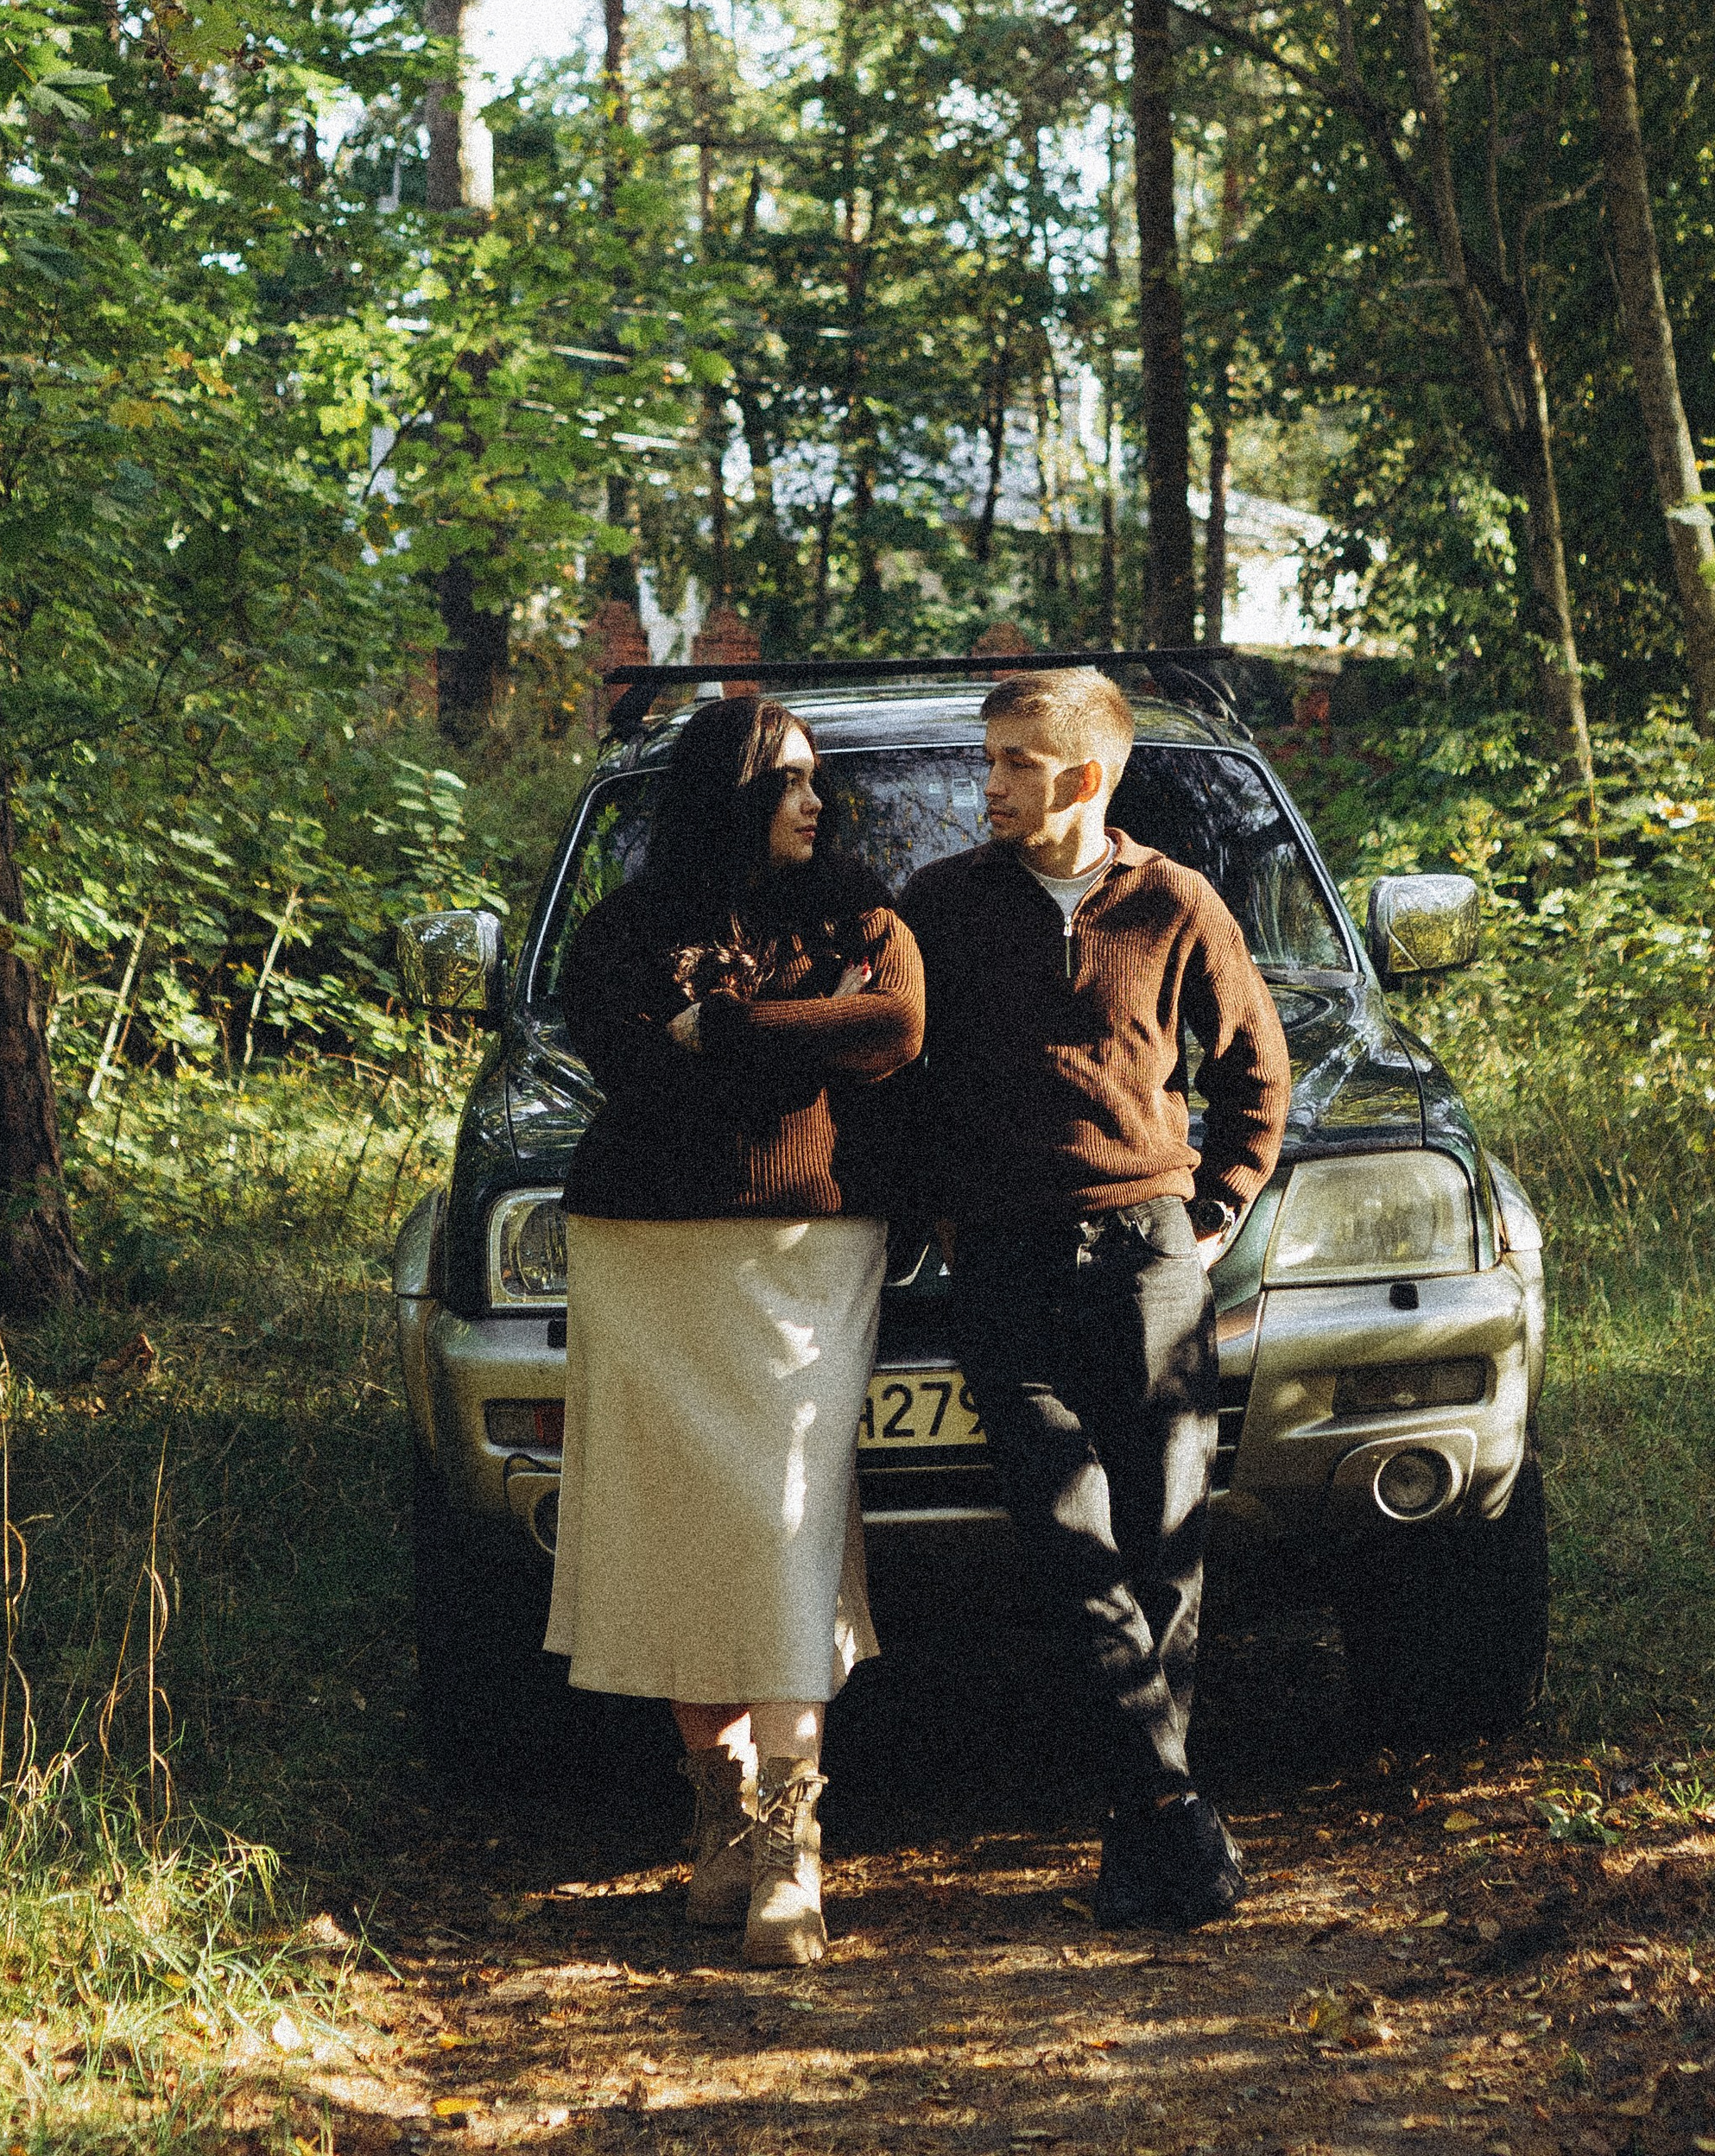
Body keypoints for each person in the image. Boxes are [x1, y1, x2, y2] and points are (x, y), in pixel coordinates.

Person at [900, 665, 1290, 1929]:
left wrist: (1215, 1210)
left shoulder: (1178, 906)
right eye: (992, 761)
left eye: (1014, 764)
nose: (990, 785)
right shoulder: (943, 909)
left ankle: (1143, 1834)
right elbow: (895, 1080)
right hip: (1004, 1266)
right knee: (1072, 1546)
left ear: (1083, 776)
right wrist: (943, 1213)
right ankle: (1176, 1805)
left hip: (1147, 1259)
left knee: (1167, 1544)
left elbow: (1255, 1075)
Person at [547, 694, 925, 1965]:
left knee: (782, 1527)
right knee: (673, 1536)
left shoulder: (860, 914)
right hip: (641, 1250)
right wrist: (794, 1050)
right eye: (793, 783)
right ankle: (717, 1828)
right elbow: (627, 1062)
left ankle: (788, 1853)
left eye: (816, 783)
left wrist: (733, 1027)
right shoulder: (624, 928)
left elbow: (898, 1029)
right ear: (732, 794)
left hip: (804, 1253)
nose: (817, 803)